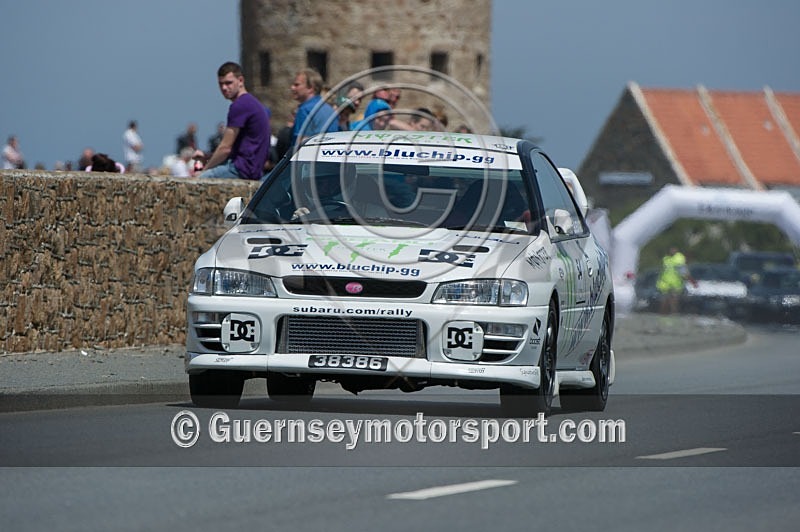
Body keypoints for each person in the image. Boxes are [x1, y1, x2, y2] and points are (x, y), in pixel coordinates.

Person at [197, 61, 271, 180]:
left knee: (197, 181)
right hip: (255, 170)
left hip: (242, 169)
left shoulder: (240, 105)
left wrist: (205, 170)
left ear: (240, 80)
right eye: (221, 84)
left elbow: (225, 148)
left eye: (228, 83)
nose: (224, 88)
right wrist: (208, 156)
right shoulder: (253, 103)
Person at [289, 68, 339, 147]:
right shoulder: (330, 110)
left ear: (310, 88)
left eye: (297, 85)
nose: (292, 88)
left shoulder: (304, 110)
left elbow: (299, 143)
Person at [656, 247, 695, 314]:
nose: (672, 251)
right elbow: (662, 271)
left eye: (674, 250)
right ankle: (664, 313)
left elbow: (684, 272)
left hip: (675, 283)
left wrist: (690, 280)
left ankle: (673, 313)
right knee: (665, 300)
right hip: (665, 284)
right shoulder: (666, 259)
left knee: (673, 300)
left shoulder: (679, 259)